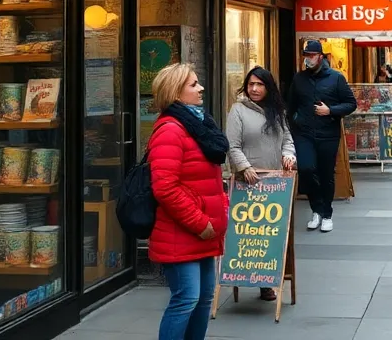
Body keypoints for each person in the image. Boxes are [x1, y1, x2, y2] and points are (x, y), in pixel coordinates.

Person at [147, 64, 229, 340]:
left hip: (204, 230)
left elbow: (206, 179)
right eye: (193, 84)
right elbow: (165, 187)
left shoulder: (197, 125)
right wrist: (201, 222)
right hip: (182, 231)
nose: (201, 88)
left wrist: (221, 210)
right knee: (186, 299)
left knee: (204, 298)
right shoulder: (171, 130)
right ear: (176, 92)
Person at [224, 67, 297, 302]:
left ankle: (267, 282)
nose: (254, 89)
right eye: (251, 84)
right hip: (248, 183)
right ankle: (242, 274)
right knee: (250, 234)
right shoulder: (238, 110)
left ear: (268, 87)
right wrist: (245, 168)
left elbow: (287, 139)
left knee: (271, 233)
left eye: (260, 85)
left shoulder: (277, 110)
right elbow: (232, 145)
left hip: (275, 182)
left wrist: (289, 155)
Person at [286, 39, 357, 233]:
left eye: (311, 56)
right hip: (304, 133)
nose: (308, 59)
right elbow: (290, 105)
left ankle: (326, 214)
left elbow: (351, 104)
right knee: (307, 169)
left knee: (326, 175)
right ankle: (315, 208)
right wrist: (292, 124)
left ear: (320, 57)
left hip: (328, 134)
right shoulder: (299, 78)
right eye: (306, 56)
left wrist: (331, 110)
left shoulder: (336, 78)